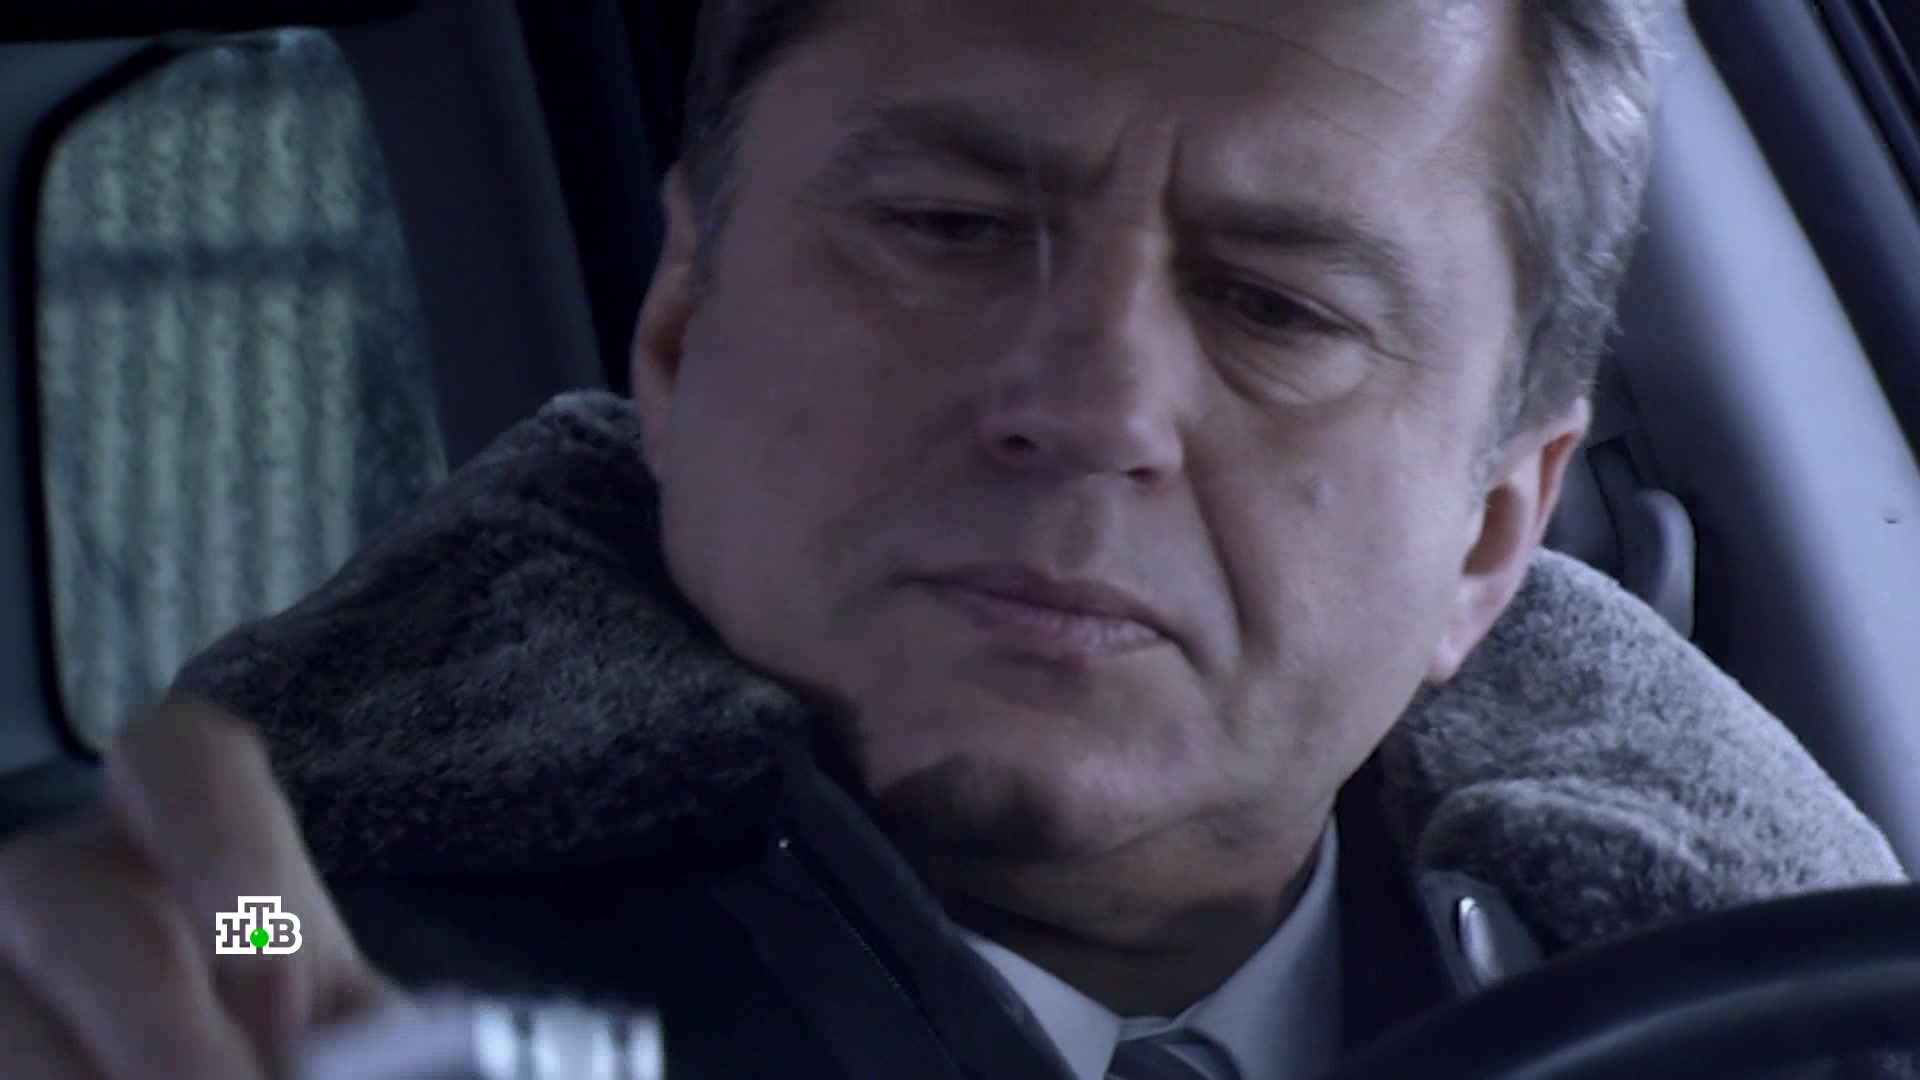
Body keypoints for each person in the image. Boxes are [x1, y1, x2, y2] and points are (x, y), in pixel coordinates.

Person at [0, 0, 1908, 1077]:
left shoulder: (1783, 1016)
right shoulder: (333, 922)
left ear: (1492, 533)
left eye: (1274, 307)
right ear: (679, 330)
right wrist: (210, 961)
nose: (1091, 405)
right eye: (949, 229)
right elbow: (259, 934)